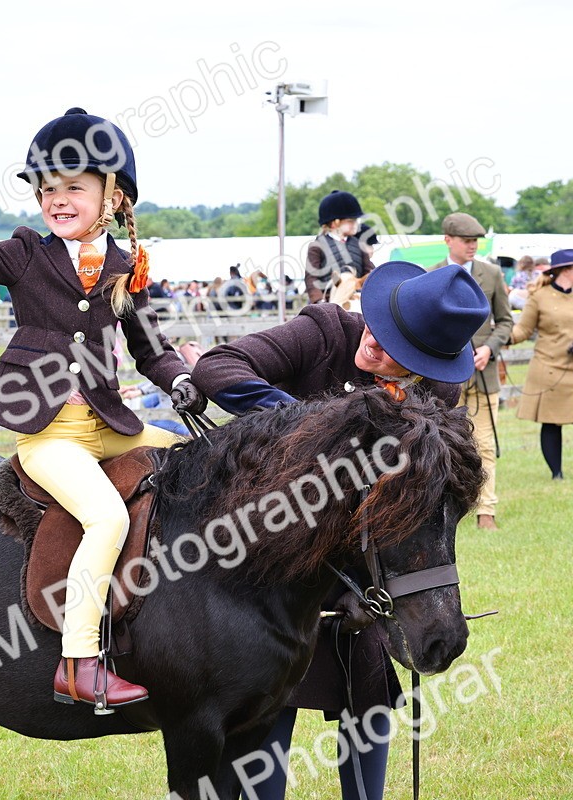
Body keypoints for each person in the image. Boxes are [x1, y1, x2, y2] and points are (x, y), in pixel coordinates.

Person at [0, 107, 199, 709]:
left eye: (74, 187)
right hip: (50, 436)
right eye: (48, 189)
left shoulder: (126, 268)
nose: (58, 198)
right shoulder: (25, 255)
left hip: (109, 426)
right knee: (107, 519)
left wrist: (180, 379)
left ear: (113, 195)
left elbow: (149, 347)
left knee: (199, 458)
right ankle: (77, 661)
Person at [191, 261, 489, 800]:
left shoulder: (435, 400)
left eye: (396, 345)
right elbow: (219, 366)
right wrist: (314, 430)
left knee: (368, 701)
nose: (373, 341)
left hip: (365, 567)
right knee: (269, 707)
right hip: (277, 555)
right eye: (378, 324)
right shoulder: (326, 330)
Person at [430, 212, 513, 530]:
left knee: (485, 443)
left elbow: (506, 321)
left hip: (482, 373)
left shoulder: (491, 274)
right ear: (448, 240)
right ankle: (440, 510)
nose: (472, 246)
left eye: (475, 241)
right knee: (437, 443)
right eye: (466, 241)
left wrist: (489, 348)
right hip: (442, 376)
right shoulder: (431, 275)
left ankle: (486, 510)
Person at [510, 249, 573, 480]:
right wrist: (500, 338)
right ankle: (557, 474)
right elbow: (523, 329)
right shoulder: (539, 297)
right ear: (566, 270)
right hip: (548, 367)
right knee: (552, 423)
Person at [305, 190, 372, 304]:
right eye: (351, 221)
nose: (355, 224)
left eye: (356, 220)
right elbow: (311, 278)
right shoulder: (317, 246)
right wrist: (319, 301)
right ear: (335, 223)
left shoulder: (359, 244)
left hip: (356, 298)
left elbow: (369, 270)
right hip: (327, 301)